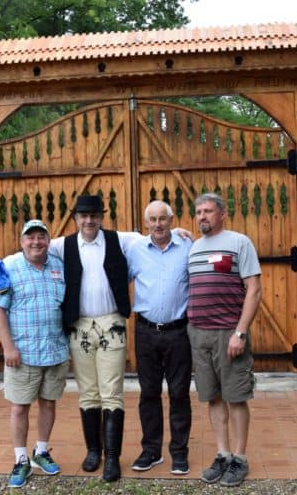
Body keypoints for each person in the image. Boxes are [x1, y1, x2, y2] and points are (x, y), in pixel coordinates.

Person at [48, 194, 142, 482]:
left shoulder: (120, 240)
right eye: (83, 216)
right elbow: (31, 247)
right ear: (76, 218)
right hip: (79, 326)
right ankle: (93, 452)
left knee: (111, 390)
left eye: (94, 215)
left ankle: (112, 457)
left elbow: (153, 239)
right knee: (88, 391)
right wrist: (4, 265)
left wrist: (179, 233)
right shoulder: (61, 245)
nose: (89, 220)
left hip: (111, 322)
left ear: (102, 217)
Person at [187, 192, 262, 488]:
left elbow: (254, 289)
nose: (202, 216)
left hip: (229, 333)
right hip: (199, 333)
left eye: (207, 211)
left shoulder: (239, 243)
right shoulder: (193, 248)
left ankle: (240, 458)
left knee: (236, 396)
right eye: (198, 212)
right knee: (213, 396)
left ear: (222, 213)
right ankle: (223, 453)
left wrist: (240, 332)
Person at [0, 219, 70, 489]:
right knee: (19, 407)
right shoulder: (8, 267)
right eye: (30, 237)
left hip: (55, 350)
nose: (36, 242)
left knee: (49, 403)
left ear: (48, 240)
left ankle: (41, 452)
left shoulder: (60, 265)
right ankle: (21, 459)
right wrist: (8, 347)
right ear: (22, 241)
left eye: (41, 237)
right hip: (22, 353)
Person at [125, 200, 193, 476]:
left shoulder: (187, 245)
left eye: (162, 219)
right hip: (145, 332)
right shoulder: (135, 250)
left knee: (179, 393)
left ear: (171, 220)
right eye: (152, 220)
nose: (157, 224)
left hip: (179, 332)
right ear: (146, 223)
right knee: (149, 393)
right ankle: (151, 451)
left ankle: (179, 453)